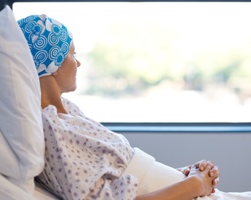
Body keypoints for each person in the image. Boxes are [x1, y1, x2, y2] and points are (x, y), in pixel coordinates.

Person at [17, 15, 251, 200]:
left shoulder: (68, 111)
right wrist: (195, 184)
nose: (78, 62)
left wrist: (184, 174)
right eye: (71, 54)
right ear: (53, 63)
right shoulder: (51, 129)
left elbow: (121, 175)